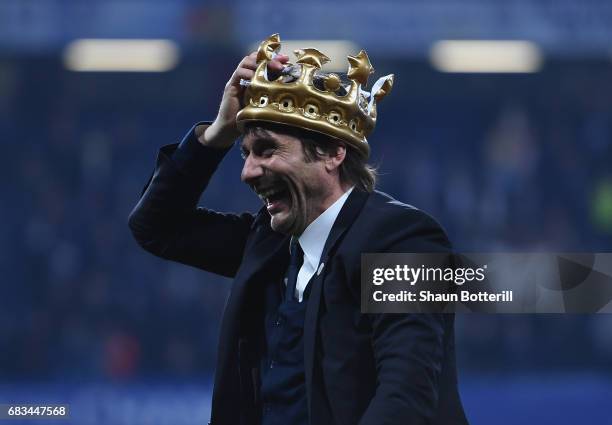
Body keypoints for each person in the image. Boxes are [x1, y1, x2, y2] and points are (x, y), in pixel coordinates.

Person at [129, 34, 468, 425]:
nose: (247, 172)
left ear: (331, 152)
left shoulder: (405, 240)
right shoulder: (270, 241)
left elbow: (405, 397)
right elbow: (156, 226)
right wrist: (218, 131)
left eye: (267, 150)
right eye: (246, 153)